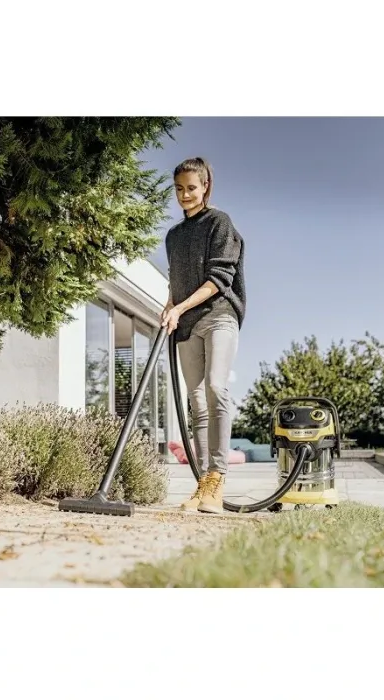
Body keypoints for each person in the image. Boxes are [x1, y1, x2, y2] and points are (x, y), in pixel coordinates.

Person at [161, 157, 246, 514]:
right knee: (195, 400)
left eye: (191, 188)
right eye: (179, 188)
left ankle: (217, 477)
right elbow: (177, 280)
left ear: (206, 185)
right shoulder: (174, 236)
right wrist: (170, 305)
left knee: (215, 387)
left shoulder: (219, 223)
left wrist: (180, 307)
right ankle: (203, 485)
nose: (185, 194)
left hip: (219, 315)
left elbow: (218, 280)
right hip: (186, 324)